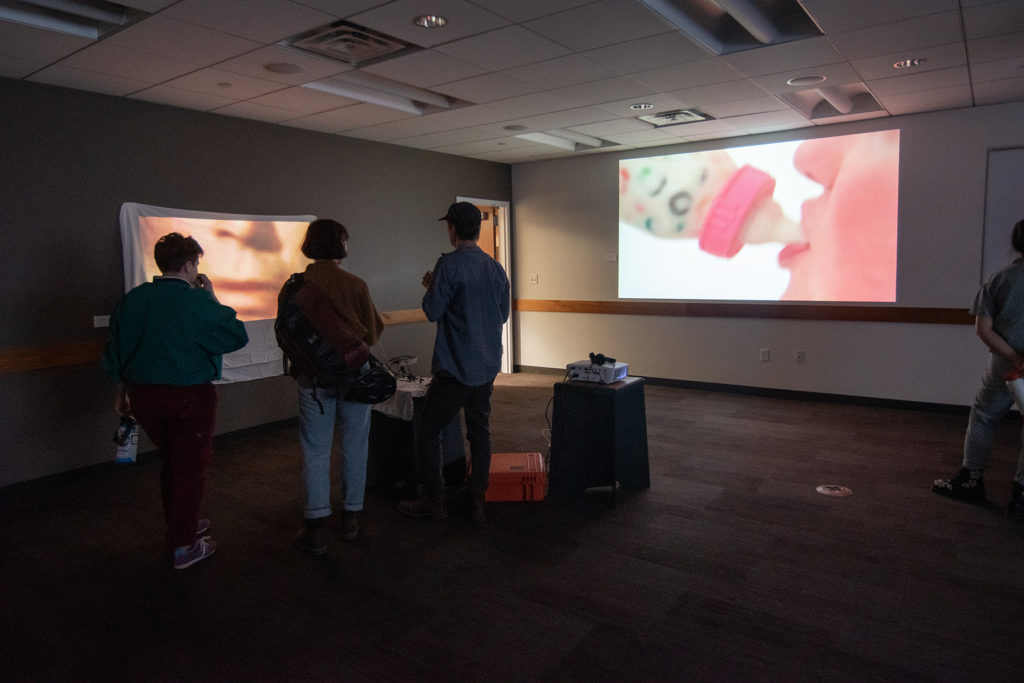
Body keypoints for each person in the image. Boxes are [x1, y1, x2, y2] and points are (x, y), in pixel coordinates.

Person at [103, 232, 249, 569]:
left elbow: (116, 350)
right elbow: (235, 336)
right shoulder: (196, 301)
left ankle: (182, 522)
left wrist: (121, 393)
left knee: (173, 462)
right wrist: (211, 298)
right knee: (190, 469)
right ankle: (184, 547)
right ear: (189, 264)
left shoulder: (133, 299)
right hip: (189, 397)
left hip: (142, 396)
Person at [398, 202, 510, 524]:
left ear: (452, 229)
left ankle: (435, 499)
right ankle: (476, 501)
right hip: (487, 366)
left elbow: (432, 310)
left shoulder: (448, 265)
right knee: (480, 433)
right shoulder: (495, 267)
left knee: (429, 430)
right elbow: (501, 315)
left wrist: (431, 286)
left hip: (455, 368)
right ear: (476, 228)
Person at [285, 219, 384, 554]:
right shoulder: (354, 284)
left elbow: (285, 335)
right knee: (355, 445)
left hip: (312, 380)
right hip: (354, 377)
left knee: (315, 449)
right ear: (342, 244)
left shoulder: (295, 285)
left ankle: (314, 528)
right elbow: (371, 335)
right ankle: (350, 519)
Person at [933, 218, 1024, 516]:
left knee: (984, 416)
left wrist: (1015, 358)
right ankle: (1021, 495)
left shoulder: (1000, 280)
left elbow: (983, 330)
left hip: (1005, 365)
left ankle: (971, 480)